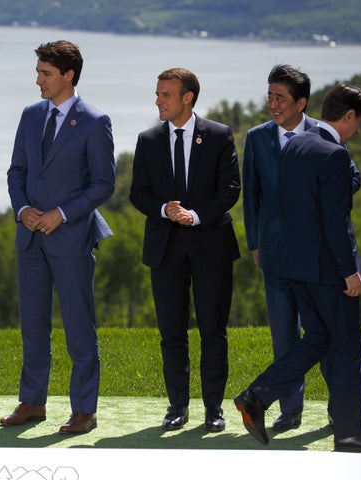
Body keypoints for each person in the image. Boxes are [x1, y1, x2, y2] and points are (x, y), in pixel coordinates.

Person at [234, 83, 361, 453]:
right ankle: (351, 432)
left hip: (296, 268)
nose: (359, 130)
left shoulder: (295, 145)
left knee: (318, 339)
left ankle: (256, 396)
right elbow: (336, 221)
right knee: (348, 348)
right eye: (359, 123)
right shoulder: (334, 153)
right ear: (349, 116)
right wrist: (349, 271)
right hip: (327, 270)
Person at [2, 40, 115, 434]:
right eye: (37, 72)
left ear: (68, 75)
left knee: (79, 327)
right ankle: (32, 402)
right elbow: (16, 172)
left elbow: (104, 184)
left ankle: (84, 409)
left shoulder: (95, 121)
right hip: (29, 238)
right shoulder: (30, 115)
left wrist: (61, 214)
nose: (38, 80)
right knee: (33, 326)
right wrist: (23, 210)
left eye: (45, 73)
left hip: (71, 239)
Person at [242, 64, 361, 432]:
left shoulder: (322, 137)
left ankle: (332, 411)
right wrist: (256, 244)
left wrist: (320, 197)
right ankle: (290, 411)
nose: (272, 104)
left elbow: (350, 177)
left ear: (301, 102)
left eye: (279, 97)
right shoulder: (258, 137)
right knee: (291, 335)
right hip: (279, 254)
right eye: (269, 96)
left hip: (318, 254)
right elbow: (253, 197)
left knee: (321, 336)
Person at [130, 68, 240, 433]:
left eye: (166, 94)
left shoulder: (219, 136)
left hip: (211, 246)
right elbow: (138, 193)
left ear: (187, 97)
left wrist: (194, 215)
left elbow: (230, 189)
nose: (158, 100)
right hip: (165, 249)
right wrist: (165, 209)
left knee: (213, 331)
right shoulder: (148, 140)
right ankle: (176, 407)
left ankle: (213, 409)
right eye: (157, 93)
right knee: (171, 333)